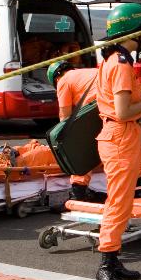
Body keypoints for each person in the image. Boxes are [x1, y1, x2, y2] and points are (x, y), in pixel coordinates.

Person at [93, 3, 141, 280]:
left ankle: (113, 257)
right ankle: (107, 262)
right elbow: (122, 112)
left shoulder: (116, 60)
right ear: (132, 31)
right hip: (120, 136)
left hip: (123, 136)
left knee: (122, 200)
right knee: (119, 201)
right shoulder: (119, 64)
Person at [48, 60, 103, 201]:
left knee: (80, 146)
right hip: (115, 104)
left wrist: (63, 139)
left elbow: (65, 117)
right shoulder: (86, 73)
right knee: (128, 142)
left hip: (97, 107)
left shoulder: (63, 81)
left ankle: (79, 189)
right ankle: (140, 181)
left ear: (56, 78)